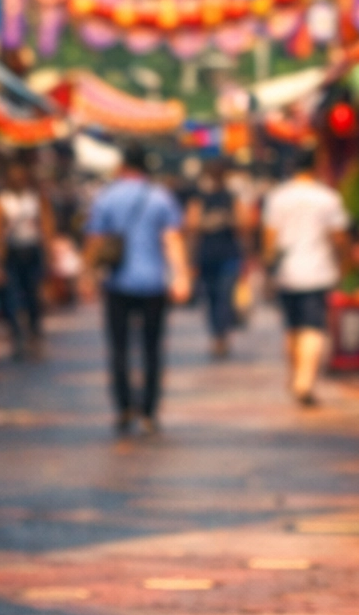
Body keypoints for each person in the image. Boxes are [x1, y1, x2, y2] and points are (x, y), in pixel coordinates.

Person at [83, 144, 190, 435]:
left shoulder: (106, 197)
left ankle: (124, 406)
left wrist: (88, 277)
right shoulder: (160, 197)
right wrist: (181, 276)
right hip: (154, 283)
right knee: (152, 348)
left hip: (117, 282)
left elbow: (95, 240)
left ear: (122, 166)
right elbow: (172, 240)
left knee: (119, 347)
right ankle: (149, 410)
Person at [262, 145, 350, 406]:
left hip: (287, 271)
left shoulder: (278, 197)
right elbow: (339, 236)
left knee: (292, 327)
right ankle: (304, 380)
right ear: (317, 164)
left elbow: (270, 239)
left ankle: (297, 376)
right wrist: (344, 263)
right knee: (314, 327)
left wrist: (269, 268)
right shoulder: (328, 198)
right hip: (318, 270)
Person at [0, 162, 52, 357]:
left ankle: (35, 335)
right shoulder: (0, 201)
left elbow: (46, 225)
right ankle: (17, 338)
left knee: (33, 296)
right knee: (12, 297)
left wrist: (48, 253)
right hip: (12, 253)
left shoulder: (35, 199)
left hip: (32, 251)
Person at [187, 159, 241, 358]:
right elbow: (191, 225)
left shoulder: (227, 197)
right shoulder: (204, 198)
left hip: (221, 255)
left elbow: (242, 223)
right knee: (216, 298)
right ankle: (219, 335)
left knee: (221, 298)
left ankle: (220, 336)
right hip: (213, 254)